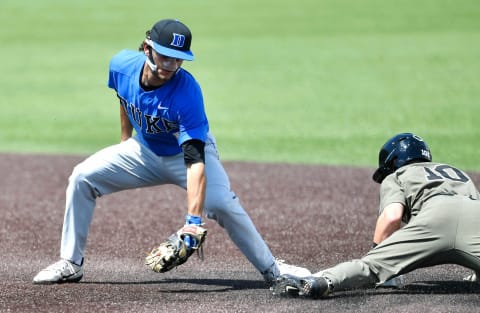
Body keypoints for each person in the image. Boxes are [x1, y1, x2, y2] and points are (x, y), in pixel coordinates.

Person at [33, 18, 311, 285]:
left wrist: (192, 222)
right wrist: (124, 142)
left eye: (177, 59)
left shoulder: (187, 92)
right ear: (147, 48)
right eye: (165, 56)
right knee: (83, 176)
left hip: (185, 158)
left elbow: (194, 161)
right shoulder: (120, 65)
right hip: (142, 151)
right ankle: (70, 263)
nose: (170, 65)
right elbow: (124, 99)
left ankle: (273, 270)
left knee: (223, 204)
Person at [272, 132, 480, 299]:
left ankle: (322, 282)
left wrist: (380, 258)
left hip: (435, 220)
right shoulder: (457, 172)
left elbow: (392, 216)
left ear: (394, 161)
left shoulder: (397, 175)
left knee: (370, 267)